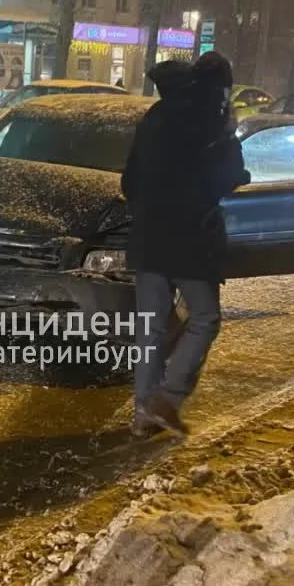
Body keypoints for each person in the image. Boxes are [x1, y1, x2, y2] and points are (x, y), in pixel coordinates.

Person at [120, 52, 250, 436]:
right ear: (223, 86)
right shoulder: (211, 120)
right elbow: (230, 174)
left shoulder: (155, 117)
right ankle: (167, 397)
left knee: (151, 328)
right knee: (205, 318)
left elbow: (129, 181)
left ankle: (145, 414)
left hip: (148, 238)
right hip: (191, 238)